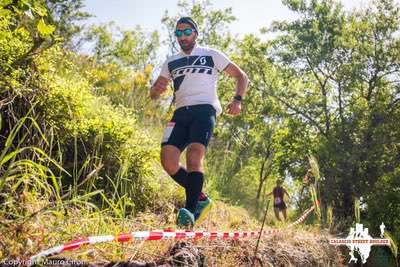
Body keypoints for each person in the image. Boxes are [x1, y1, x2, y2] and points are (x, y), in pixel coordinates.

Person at [150, 17, 249, 227]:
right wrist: (155, 90)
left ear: (196, 33)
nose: (183, 36)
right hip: (180, 113)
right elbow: (155, 92)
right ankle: (201, 199)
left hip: (204, 110)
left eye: (187, 32)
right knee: (167, 160)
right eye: (178, 33)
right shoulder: (170, 61)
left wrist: (237, 101)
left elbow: (241, 76)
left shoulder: (211, 55)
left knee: (194, 155)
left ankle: (190, 213)